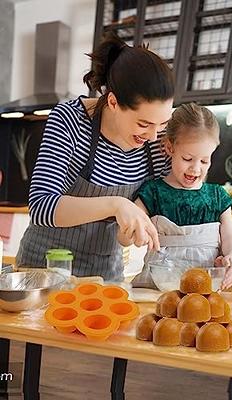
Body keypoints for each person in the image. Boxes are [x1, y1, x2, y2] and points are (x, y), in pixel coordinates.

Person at [16, 33, 175, 281]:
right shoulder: (70, 120)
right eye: (143, 123)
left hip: (104, 278)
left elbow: (171, 199)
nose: (154, 135)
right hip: (45, 271)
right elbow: (41, 207)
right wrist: (116, 204)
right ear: (113, 102)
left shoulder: (155, 144)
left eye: (162, 123)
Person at [126, 103, 232, 290]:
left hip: (203, 288)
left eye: (204, 161)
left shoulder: (217, 196)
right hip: (156, 286)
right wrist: (132, 231)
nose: (195, 168)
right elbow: (129, 229)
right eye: (187, 159)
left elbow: (230, 238)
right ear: (170, 148)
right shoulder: (153, 192)